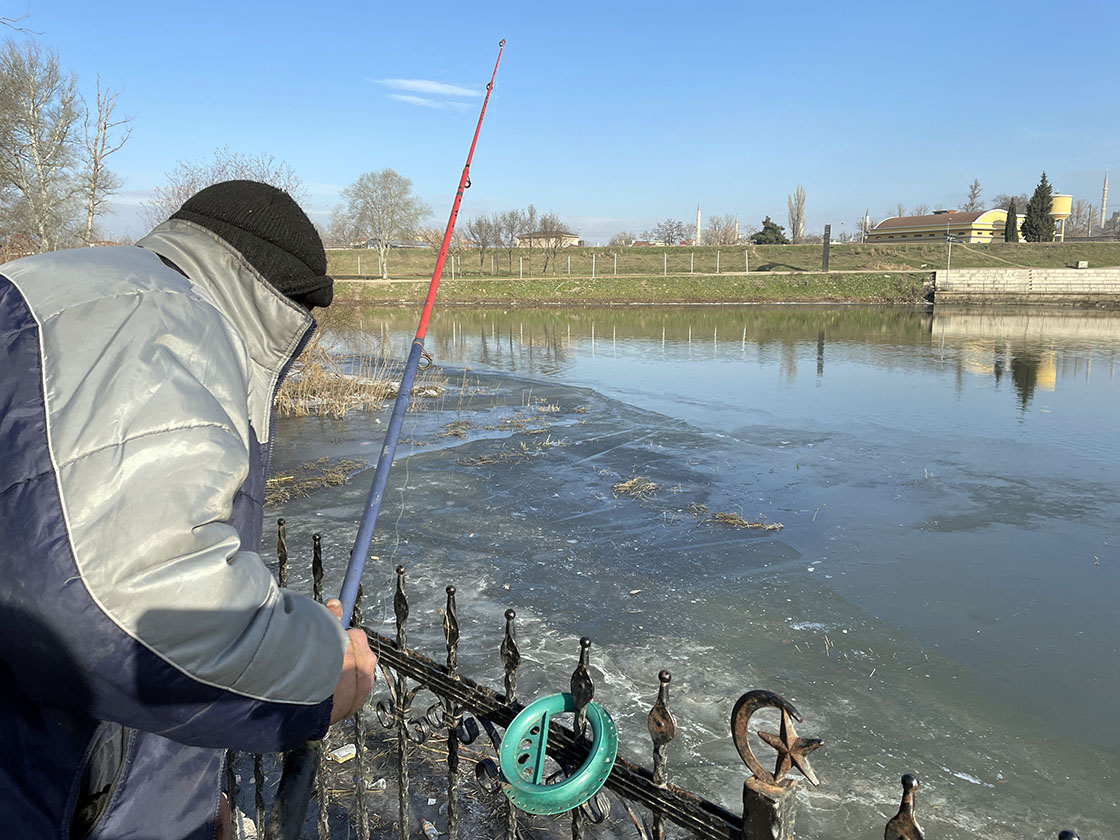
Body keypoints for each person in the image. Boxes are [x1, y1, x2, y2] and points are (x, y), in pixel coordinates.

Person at [0, 180, 378, 839]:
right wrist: (321, 674)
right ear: (290, 297)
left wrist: (191, 800)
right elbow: (114, 606)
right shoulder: (170, 325)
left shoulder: (53, 287)